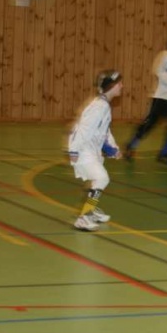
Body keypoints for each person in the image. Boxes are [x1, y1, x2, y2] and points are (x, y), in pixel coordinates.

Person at [68, 70, 124, 231]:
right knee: (102, 178)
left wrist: (113, 148)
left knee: (96, 181)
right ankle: (83, 218)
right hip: (84, 150)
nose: (122, 86)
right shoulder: (99, 106)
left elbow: (104, 131)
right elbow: (82, 129)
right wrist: (74, 150)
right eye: (119, 83)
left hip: (92, 150)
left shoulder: (103, 105)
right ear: (111, 86)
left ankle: (90, 210)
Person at [124, 30, 167, 165]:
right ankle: (131, 146)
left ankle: (164, 153)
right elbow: (159, 72)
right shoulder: (166, 55)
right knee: (149, 124)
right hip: (162, 97)